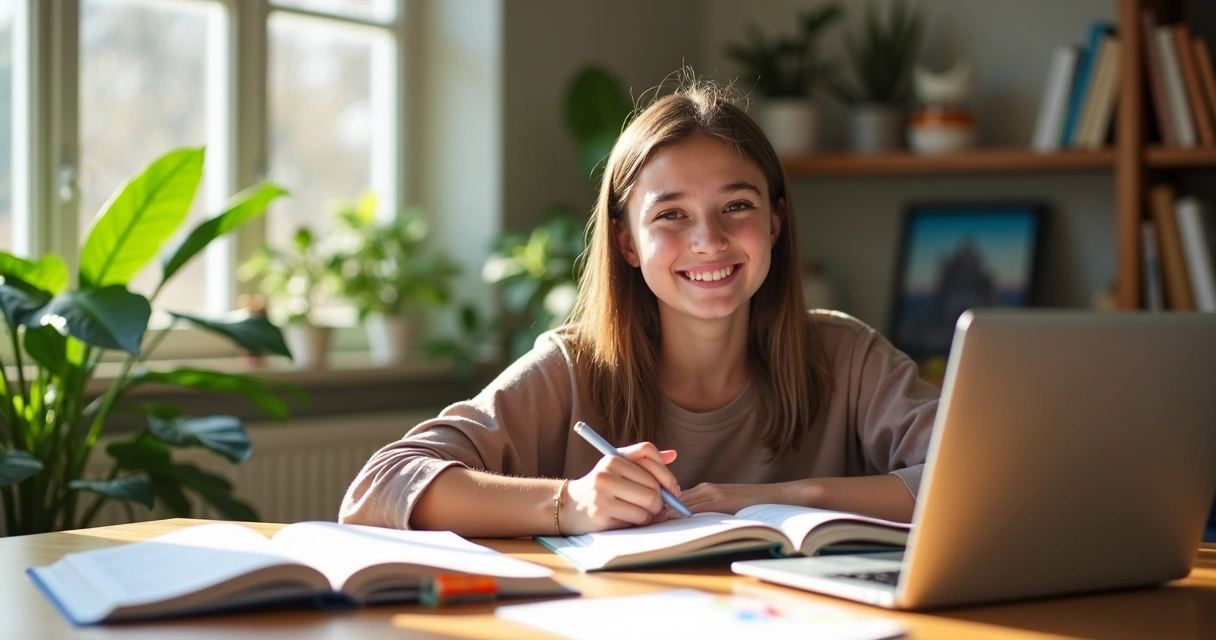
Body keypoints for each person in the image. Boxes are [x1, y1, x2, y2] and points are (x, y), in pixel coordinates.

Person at [339, 78, 938, 538]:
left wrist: (787, 497)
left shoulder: (848, 356)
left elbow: (982, 481)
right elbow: (378, 487)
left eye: (737, 206)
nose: (708, 240)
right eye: (671, 214)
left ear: (776, 222)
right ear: (627, 240)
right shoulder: (574, 366)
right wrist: (568, 503)